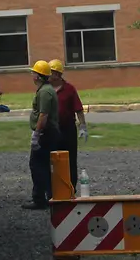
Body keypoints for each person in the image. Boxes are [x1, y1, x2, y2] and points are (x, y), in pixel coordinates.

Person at [23, 60, 59, 210]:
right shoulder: (47, 89)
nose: (32, 75)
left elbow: (43, 115)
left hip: (46, 134)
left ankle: (40, 199)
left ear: (38, 76)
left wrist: (36, 135)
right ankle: (50, 197)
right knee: (45, 166)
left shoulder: (44, 92)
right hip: (49, 133)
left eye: (34, 73)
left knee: (37, 165)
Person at [48, 59, 87, 191]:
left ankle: (71, 188)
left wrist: (83, 127)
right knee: (53, 159)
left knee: (70, 159)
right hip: (52, 129)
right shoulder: (46, 89)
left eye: (50, 72)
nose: (47, 75)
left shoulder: (69, 89)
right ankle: (54, 188)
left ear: (57, 74)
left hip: (67, 129)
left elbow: (79, 109)